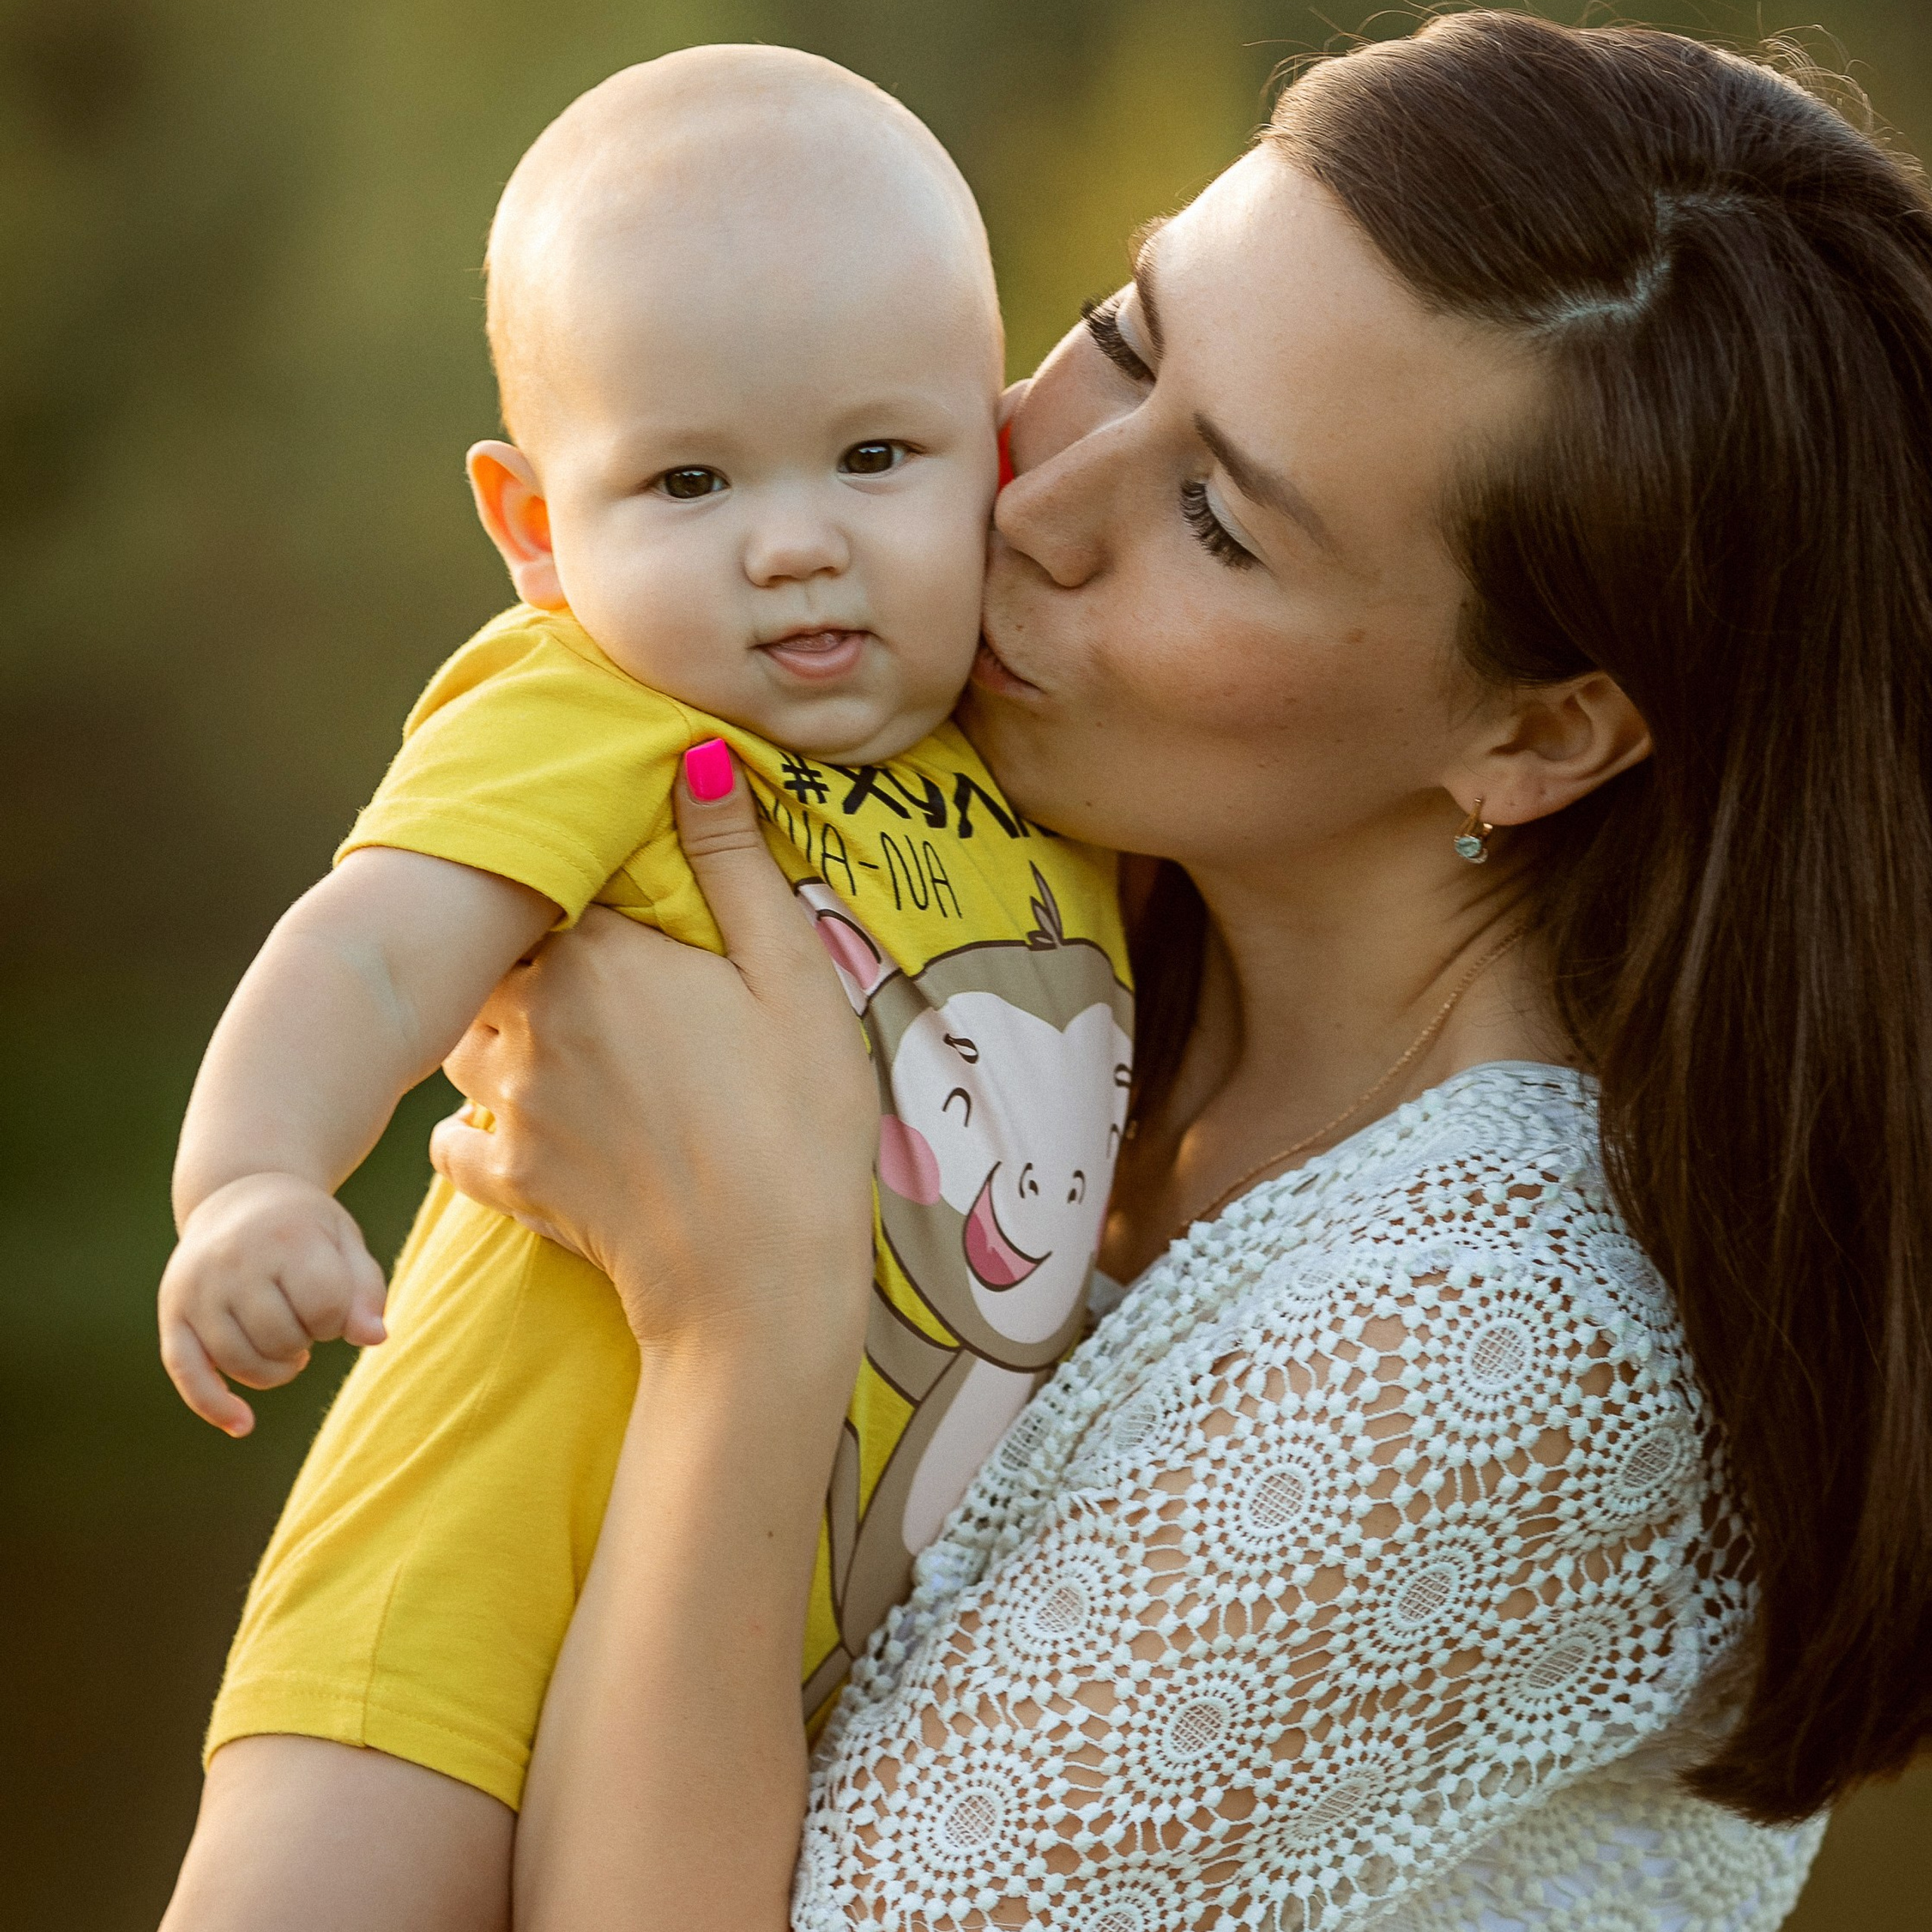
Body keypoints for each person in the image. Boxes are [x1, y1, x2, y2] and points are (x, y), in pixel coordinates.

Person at [165, 11, 1932, 1930]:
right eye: (1123, 336)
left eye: (1213, 519)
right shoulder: (1059, 928)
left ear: (1540, 734)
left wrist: (746, 1315)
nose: (1026, 501)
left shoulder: (1484, 1344)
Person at [158, 41, 1130, 1835]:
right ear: (534, 525)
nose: (792, 545)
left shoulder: (1042, 778)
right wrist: (254, 1181)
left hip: (752, 1652)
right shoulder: (592, 703)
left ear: (985, 455)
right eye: (688, 484)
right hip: (453, 1610)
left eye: (871, 455)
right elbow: (370, 947)